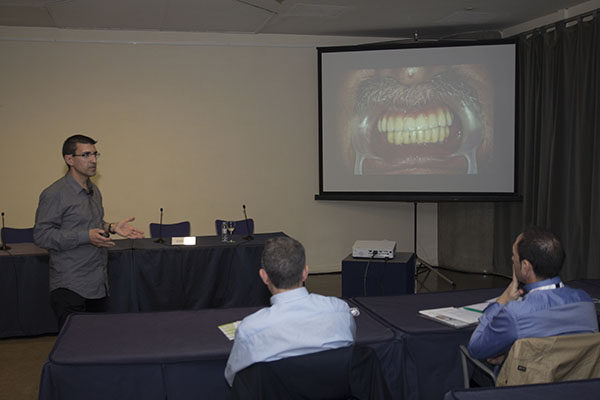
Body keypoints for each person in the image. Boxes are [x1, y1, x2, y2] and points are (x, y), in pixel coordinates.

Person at [34, 134, 144, 329]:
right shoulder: (54, 194)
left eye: (95, 154)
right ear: (69, 159)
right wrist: (86, 237)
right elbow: (41, 236)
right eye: (86, 155)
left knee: (97, 342)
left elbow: (91, 224)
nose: (93, 160)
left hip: (98, 284)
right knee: (74, 344)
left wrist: (111, 227)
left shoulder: (93, 190)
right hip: (70, 286)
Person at [224, 236, 356, 386]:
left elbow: (234, 378)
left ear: (264, 276)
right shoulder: (341, 311)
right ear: (305, 272)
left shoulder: (250, 330)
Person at [468, 227, 598, 365]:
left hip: (530, 378)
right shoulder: (585, 302)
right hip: (577, 377)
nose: (512, 259)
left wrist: (503, 299)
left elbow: (476, 348)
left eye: (514, 255)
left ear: (525, 266)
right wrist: (510, 355)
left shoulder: (515, 314)